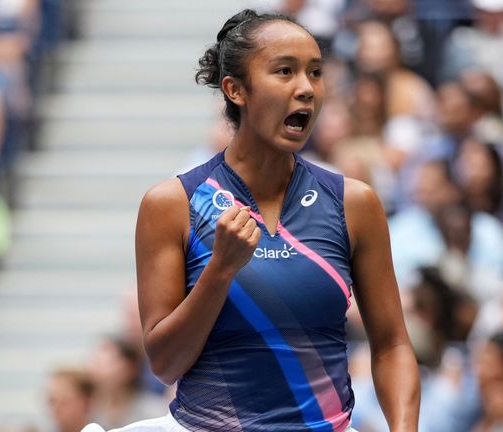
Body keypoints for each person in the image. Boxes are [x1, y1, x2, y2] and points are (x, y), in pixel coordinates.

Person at [84, 9, 420, 432]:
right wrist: (220, 269)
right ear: (236, 90)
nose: (306, 89)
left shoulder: (354, 203)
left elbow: (392, 345)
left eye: (315, 73)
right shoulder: (172, 204)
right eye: (285, 71)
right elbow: (166, 364)